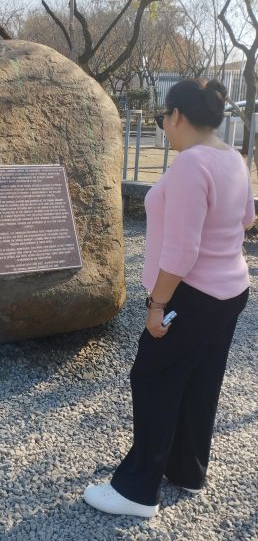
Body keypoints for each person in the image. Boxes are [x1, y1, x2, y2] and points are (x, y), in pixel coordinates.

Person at [84, 78, 256, 518]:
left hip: (192, 296)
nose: (163, 125)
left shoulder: (190, 165)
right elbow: (247, 218)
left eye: (162, 117)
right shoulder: (233, 158)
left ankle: (138, 490)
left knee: (154, 379)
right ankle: (187, 470)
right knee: (200, 381)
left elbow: (181, 253)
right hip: (231, 290)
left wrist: (156, 305)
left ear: (177, 115)